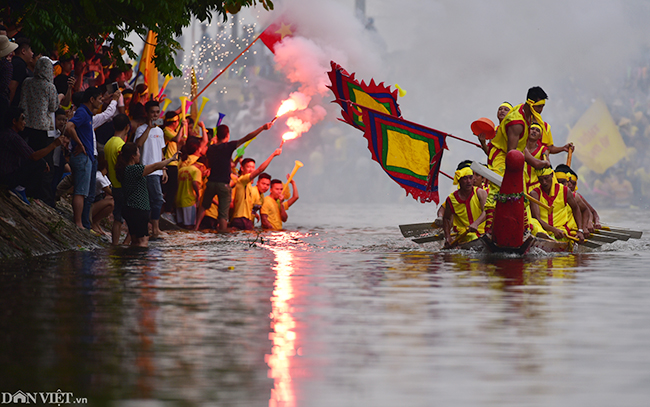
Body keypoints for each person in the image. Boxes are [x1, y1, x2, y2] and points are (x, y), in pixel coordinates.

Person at [195, 121, 275, 232]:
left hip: (211, 183)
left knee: (204, 205)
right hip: (223, 185)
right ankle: (222, 232)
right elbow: (247, 138)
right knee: (223, 214)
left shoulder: (211, 149)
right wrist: (262, 128)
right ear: (227, 135)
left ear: (217, 135)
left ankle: (196, 227)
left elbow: (209, 163)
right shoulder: (228, 146)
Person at [115, 142, 178, 247]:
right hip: (138, 209)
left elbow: (153, 168)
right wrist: (170, 160)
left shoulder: (126, 169)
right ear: (133, 156)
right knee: (143, 241)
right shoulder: (134, 170)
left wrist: (159, 167)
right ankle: (140, 263)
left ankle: (131, 262)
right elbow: (154, 167)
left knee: (135, 241)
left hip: (130, 209)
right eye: (138, 152)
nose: (139, 154)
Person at [19, 56, 60, 206]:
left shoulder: (27, 82)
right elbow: (53, 107)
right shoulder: (50, 87)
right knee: (40, 161)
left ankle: (20, 185)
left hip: (24, 124)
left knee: (25, 156)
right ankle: (34, 193)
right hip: (41, 128)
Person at [0, 107, 63, 203]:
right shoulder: (13, 137)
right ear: (14, 121)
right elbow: (34, 156)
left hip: (6, 174)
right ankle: (20, 188)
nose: (25, 123)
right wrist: (53, 145)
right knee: (40, 163)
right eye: (22, 119)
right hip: (6, 177)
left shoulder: (7, 134)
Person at [65, 86, 103, 228]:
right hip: (81, 157)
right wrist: (80, 144)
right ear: (91, 99)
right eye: (99, 99)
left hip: (85, 157)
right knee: (80, 192)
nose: (101, 102)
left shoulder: (87, 113)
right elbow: (69, 126)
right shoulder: (82, 112)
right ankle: (79, 223)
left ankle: (81, 222)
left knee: (83, 192)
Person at [134, 100, 166, 239]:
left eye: (157, 112)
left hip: (157, 171)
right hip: (146, 170)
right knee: (157, 199)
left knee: (153, 200)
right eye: (152, 112)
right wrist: (149, 127)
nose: (155, 115)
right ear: (147, 113)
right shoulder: (141, 129)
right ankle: (155, 229)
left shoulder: (160, 131)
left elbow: (161, 151)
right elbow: (138, 144)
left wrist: (163, 169)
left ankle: (152, 229)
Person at [529, 167, 585, 243]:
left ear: (552, 175)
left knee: (560, 234)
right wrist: (553, 230)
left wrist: (580, 230)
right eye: (541, 179)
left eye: (546, 178)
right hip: (542, 229)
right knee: (532, 222)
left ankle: (547, 240)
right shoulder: (534, 193)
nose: (544, 182)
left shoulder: (565, 191)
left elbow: (576, 209)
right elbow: (537, 218)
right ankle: (545, 237)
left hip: (560, 230)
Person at [231, 151, 282, 231]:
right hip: (240, 219)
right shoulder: (242, 180)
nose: (251, 169)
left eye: (253, 167)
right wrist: (273, 155)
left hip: (247, 220)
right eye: (249, 167)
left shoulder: (248, 184)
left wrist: (254, 213)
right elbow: (260, 170)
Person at [441, 166, 487, 248]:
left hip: (483, 233)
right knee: (472, 238)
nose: (469, 181)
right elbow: (447, 218)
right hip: (464, 235)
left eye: (470, 178)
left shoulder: (480, 193)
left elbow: (486, 211)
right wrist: (447, 237)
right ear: (459, 181)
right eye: (465, 179)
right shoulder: (451, 199)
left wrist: (475, 224)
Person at [104, 113, 130, 245]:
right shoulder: (121, 145)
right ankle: (126, 245)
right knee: (133, 217)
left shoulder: (108, 143)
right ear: (127, 127)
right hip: (125, 186)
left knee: (117, 218)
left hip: (114, 185)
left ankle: (115, 245)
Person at [92, 157, 114, 235]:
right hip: (92, 203)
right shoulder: (98, 176)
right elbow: (110, 191)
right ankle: (93, 222)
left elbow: (110, 186)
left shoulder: (103, 175)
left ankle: (97, 223)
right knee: (112, 203)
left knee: (110, 199)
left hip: (97, 199)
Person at [8, 37, 33, 107]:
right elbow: (12, 87)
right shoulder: (19, 65)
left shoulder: (15, 62)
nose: (32, 53)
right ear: (23, 51)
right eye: (30, 50)